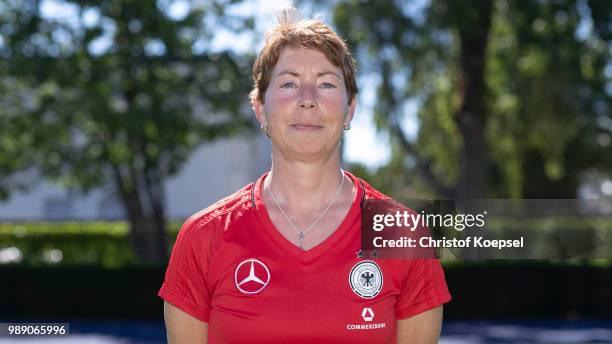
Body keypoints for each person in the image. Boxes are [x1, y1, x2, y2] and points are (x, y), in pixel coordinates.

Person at [159, 8, 451, 343]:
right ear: (259, 108)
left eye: (326, 83)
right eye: (289, 83)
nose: (307, 100)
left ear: (350, 109)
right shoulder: (204, 236)